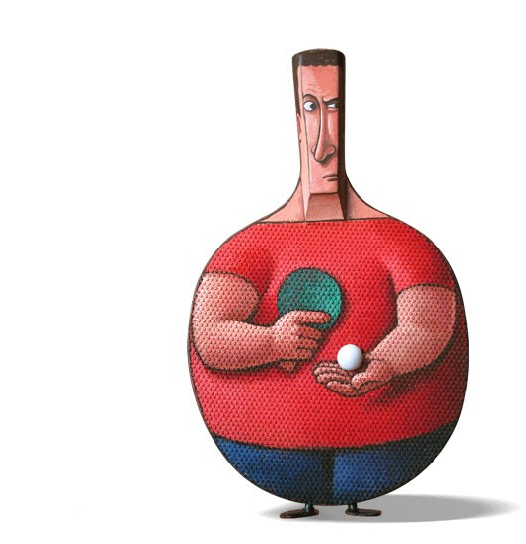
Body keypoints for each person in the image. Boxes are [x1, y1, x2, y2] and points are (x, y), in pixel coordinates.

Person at [189, 49, 467, 518]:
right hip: (260, 448)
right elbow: (211, 335)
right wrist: (271, 342)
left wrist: (385, 363)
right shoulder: (247, 249)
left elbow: (427, 325)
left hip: (396, 444)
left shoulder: (408, 246)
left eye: (333, 107)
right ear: (298, 123)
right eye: (311, 107)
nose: (323, 144)